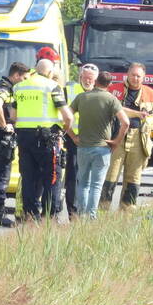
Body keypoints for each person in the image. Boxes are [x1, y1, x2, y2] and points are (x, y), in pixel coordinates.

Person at [11, 58, 73, 221]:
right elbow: (68, 116)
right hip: (47, 139)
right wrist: (63, 131)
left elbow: (13, 115)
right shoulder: (52, 86)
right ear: (50, 72)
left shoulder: (19, 87)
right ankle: (49, 215)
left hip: (24, 137)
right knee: (52, 176)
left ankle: (30, 214)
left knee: (28, 177)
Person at [100, 62, 153, 210]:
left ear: (143, 77)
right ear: (127, 75)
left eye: (138, 76)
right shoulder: (114, 90)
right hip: (117, 137)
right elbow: (107, 107)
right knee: (110, 176)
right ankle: (103, 211)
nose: (135, 78)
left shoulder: (150, 93)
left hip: (138, 138)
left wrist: (150, 122)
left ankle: (127, 212)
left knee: (133, 178)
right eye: (133, 75)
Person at [68, 71, 129, 219]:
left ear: (95, 81)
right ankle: (91, 216)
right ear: (109, 85)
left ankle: (81, 214)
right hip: (102, 148)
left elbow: (66, 117)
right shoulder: (112, 99)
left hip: (83, 146)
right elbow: (126, 122)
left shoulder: (81, 97)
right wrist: (116, 141)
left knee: (83, 183)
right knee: (96, 185)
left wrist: (73, 136)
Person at [0, 61, 30, 227]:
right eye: (23, 78)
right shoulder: (5, 87)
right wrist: (5, 125)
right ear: (16, 75)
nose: (24, 81)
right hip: (2, 135)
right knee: (2, 175)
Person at [63, 63, 99, 218]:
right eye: (85, 78)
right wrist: (72, 136)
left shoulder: (100, 93)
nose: (88, 81)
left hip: (93, 141)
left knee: (92, 179)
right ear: (79, 77)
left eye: (91, 79)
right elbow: (62, 117)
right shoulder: (69, 90)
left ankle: (88, 212)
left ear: (96, 80)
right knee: (74, 177)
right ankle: (74, 212)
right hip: (74, 140)